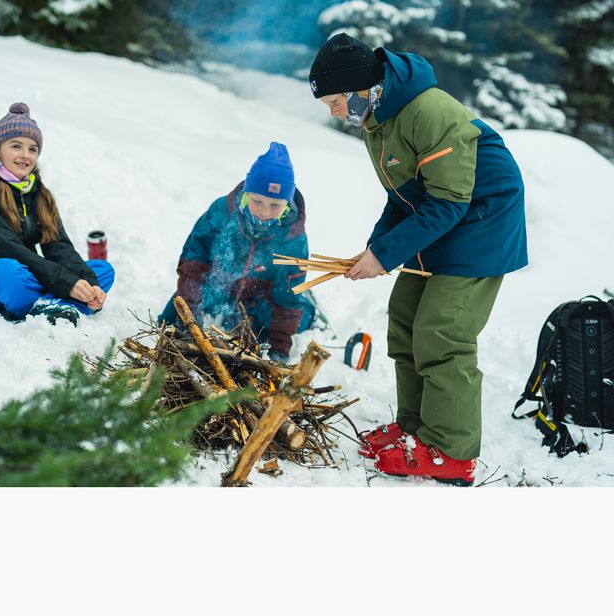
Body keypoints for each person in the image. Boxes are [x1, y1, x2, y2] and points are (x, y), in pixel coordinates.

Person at [308, 33, 527, 486]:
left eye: (333, 101)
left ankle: (451, 450)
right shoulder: (376, 120)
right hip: (444, 214)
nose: (332, 111)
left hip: (482, 218)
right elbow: (402, 198)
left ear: (359, 89)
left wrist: (385, 255)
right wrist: (375, 249)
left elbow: (448, 200)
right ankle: (415, 429)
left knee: (442, 332)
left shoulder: (428, 110)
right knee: (406, 319)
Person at [0, 102, 114, 325]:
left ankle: (52, 307)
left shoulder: (39, 194)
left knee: (101, 271)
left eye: (32, 149)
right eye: (16, 146)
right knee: (11, 273)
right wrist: (66, 283)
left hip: (28, 269)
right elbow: (6, 248)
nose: (25, 155)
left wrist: (87, 282)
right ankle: (65, 305)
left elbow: (59, 247)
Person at [159, 142, 314, 363]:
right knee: (170, 319)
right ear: (247, 192)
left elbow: (286, 297)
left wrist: (279, 349)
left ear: (287, 204)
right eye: (257, 201)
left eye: (275, 205)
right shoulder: (222, 212)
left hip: (260, 299)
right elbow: (193, 266)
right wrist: (189, 320)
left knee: (289, 322)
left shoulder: (292, 238)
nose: (264, 211)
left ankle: (311, 306)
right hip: (218, 287)